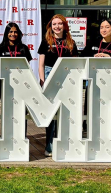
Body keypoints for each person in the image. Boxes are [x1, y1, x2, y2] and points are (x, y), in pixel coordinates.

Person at [38, 14, 79, 157]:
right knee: (51, 113)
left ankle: (65, 145)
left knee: (66, 112)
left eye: (60, 24)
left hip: (66, 76)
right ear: (50, 26)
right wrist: (43, 82)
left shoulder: (71, 42)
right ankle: (49, 146)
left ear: (64, 26)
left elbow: (75, 64)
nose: (57, 26)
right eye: (54, 24)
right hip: (50, 75)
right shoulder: (46, 42)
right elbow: (41, 65)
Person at [81, 18, 111, 132]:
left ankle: (103, 130)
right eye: (101, 27)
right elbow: (82, 58)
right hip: (93, 81)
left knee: (104, 108)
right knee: (89, 106)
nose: (104, 30)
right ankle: (87, 128)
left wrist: (109, 58)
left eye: (107, 27)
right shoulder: (93, 42)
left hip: (107, 83)